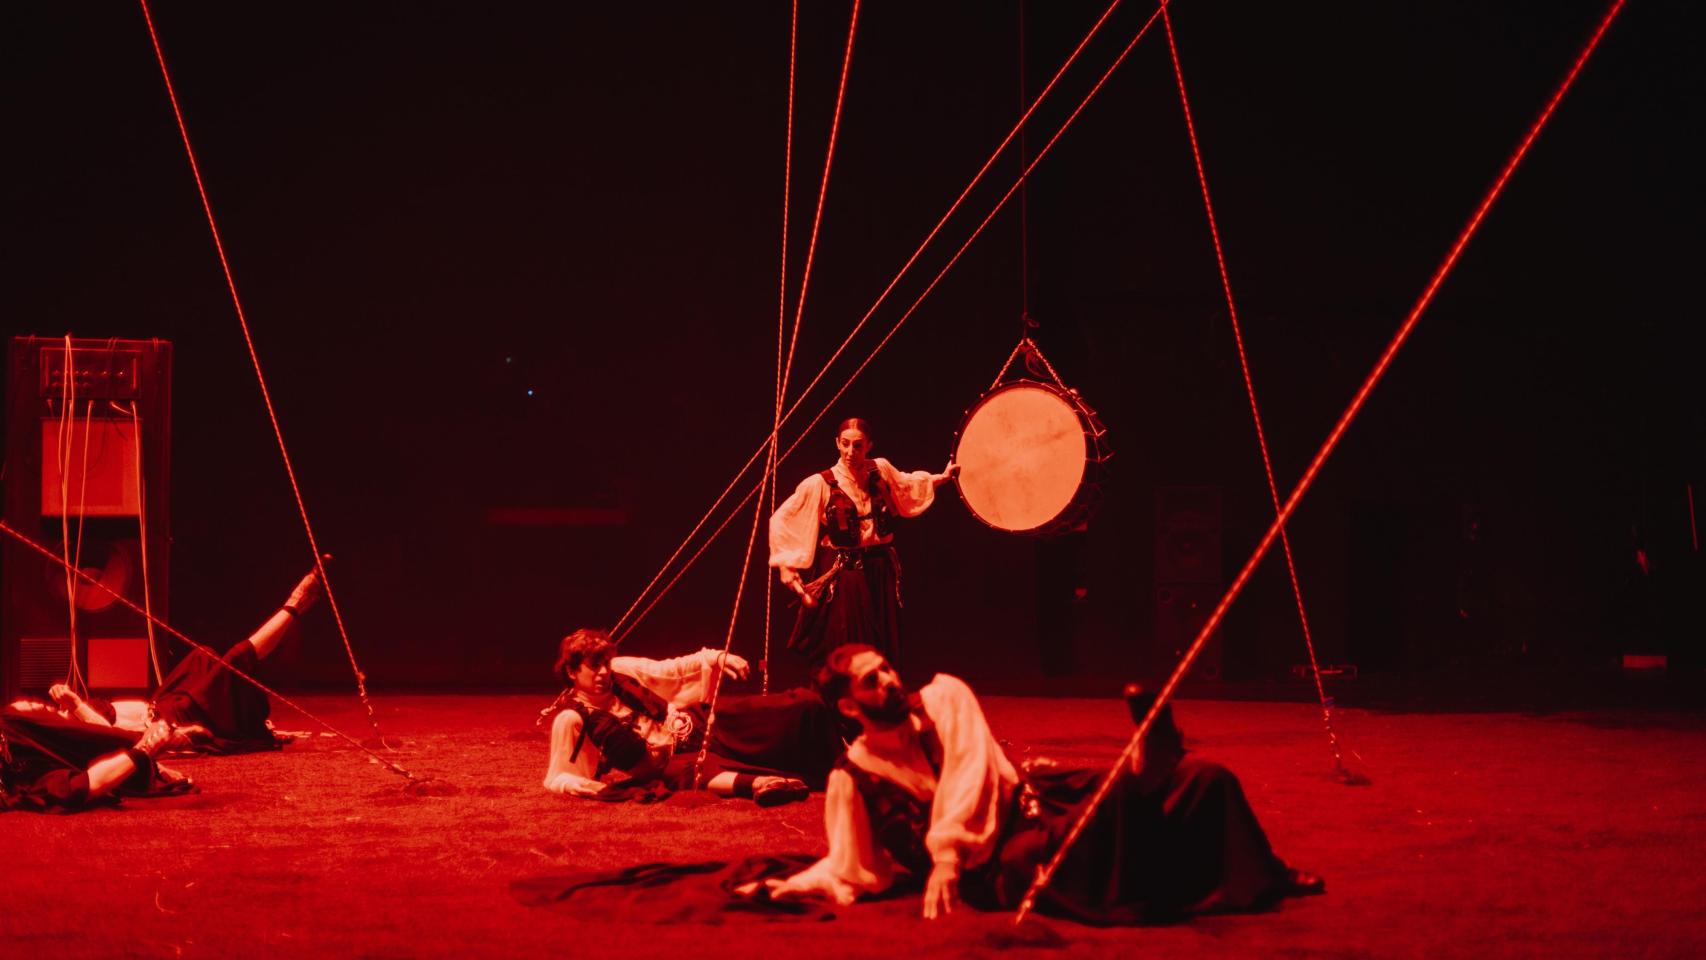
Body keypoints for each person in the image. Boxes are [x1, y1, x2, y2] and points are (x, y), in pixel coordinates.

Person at [754, 644, 1324, 923]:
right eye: (871, 680)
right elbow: (855, 866)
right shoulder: (851, 779)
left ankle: (1265, 874)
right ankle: (1141, 774)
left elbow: (969, 772)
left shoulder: (945, 697)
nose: (889, 679)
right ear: (850, 706)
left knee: (1206, 776)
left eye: (885, 667)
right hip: (998, 866)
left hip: (1029, 803)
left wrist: (945, 848)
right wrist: (799, 885)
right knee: (1109, 807)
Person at [14, 568, 324, 753]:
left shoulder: (66, 715)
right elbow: (112, 738)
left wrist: (71, 703)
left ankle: (251, 725)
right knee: (233, 662)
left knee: (203, 657)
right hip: (170, 718)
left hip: (161, 700)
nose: (33, 703)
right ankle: (293, 606)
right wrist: (76, 703)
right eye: (29, 708)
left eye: (29, 702)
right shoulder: (71, 733)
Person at [542, 628, 843, 805]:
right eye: (595, 666)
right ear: (571, 671)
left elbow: (669, 669)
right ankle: (761, 785)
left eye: (606, 663)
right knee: (688, 776)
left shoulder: (622, 669)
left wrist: (715, 657)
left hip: (698, 722)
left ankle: (845, 757)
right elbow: (558, 777)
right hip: (670, 761)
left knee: (798, 706)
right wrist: (595, 788)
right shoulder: (572, 718)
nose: (605, 672)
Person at [768, 418, 957, 666]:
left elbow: (905, 485)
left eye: (857, 445)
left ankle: (880, 697)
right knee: (853, 641)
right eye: (845, 444)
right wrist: (786, 567)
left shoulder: (879, 469)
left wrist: (941, 478)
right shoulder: (820, 483)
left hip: (880, 568)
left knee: (882, 640)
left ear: (869, 445)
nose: (850, 452)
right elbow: (783, 519)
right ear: (837, 443)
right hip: (848, 572)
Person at [1, 703, 183, 812]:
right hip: (17, 771)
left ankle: (147, 748)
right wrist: (147, 748)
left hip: (17, 739)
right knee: (66, 790)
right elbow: (81, 787)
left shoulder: (16, 720)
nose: (42, 707)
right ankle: (146, 748)